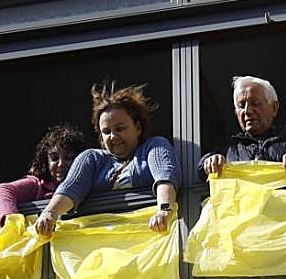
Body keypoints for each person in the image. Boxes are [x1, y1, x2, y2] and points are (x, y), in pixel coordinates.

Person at [35, 83, 179, 237]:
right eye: (106, 131)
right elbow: (70, 188)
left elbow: (165, 178)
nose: (113, 136)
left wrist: (164, 210)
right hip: (100, 244)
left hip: (148, 239)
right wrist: (50, 213)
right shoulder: (92, 159)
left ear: (137, 128)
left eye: (120, 128)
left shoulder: (154, 146)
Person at [199, 76, 286, 180]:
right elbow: (200, 169)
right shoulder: (229, 150)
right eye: (241, 106)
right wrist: (209, 161)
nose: (247, 111)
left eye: (255, 103)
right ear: (236, 114)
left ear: (274, 108)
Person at [0, 124, 88, 226]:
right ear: (46, 162)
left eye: (68, 158)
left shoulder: (89, 182)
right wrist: (13, 224)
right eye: (54, 158)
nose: (60, 164)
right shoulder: (38, 186)